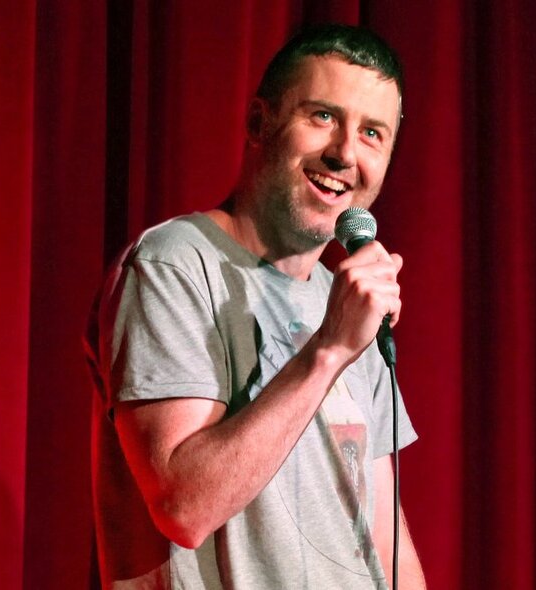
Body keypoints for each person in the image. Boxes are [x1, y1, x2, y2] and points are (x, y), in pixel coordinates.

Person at [86, 24, 426, 589]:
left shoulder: (343, 297)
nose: (344, 152)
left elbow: (385, 533)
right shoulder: (173, 264)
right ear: (258, 123)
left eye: (372, 133)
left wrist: (343, 335)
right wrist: (329, 350)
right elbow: (183, 507)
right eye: (322, 117)